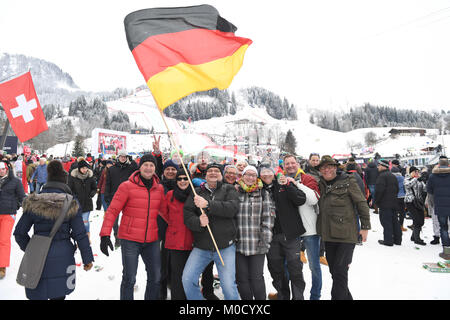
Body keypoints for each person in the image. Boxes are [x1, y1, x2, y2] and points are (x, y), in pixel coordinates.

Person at [13, 160, 94, 299]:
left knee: (37, 291)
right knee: (59, 293)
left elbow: (19, 232)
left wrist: (31, 248)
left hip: (37, 256)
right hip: (64, 254)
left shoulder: (34, 202)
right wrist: (87, 259)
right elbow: (80, 234)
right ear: (64, 182)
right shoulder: (71, 203)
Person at [100, 153, 166, 300]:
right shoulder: (127, 186)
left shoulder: (159, 189)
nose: (148, 168)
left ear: (155, 168)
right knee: (129, 278)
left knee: (155, 277)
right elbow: (112, 210)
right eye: (145, 165)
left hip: (152, 240)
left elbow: (166, 213)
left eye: (151, 165)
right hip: (130, 239)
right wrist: (105, 234)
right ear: (140, 167)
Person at [182, 163, 240, 300]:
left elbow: (232, 208)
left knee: (228, 286)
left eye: (216, 171)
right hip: (202, 246)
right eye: (210, 171)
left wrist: (208, 204)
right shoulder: (197, 192)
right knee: (187, 279)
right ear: (205, 175)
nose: (213, 173)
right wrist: (198, 222)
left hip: (225, 246)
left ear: (221, 175)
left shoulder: (229, 189)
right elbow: (187, 215)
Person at [317, 155, 371, 300]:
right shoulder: (321, 183)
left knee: (340, 272)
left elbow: (361, 203)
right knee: (334, 272)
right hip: (328, 235)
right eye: (323, 167)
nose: (326, 170)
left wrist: (365, 227)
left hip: (346, 235)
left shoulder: (348, 181)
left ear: (335, 167)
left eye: (329, 166)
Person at [266, 158, 308, 300]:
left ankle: (298, 297)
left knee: (295, 270)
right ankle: (283, 296)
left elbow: (300, 199)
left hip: (290, 235)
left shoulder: (284, 183)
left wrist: (288, 185)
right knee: (276, 271)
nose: (267, 175)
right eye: (264, 173)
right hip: (271, 237)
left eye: (270, 172)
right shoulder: (260, 188)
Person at [283, 155, 323, 300]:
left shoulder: (307, 179)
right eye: (287, 164)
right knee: (288, 266)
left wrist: (297, 184)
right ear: (284, 166)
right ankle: (287, 294)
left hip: (310, 230)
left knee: (314, 266)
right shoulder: (281, 180)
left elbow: (313, 199)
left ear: (298, 164)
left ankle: (315, 296)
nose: (290, 166)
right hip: (291, 231)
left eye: (293, 163)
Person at [235, 165, 275, 300]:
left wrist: (265, 241)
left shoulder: (263, 193)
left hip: (257, 243)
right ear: (243, 176)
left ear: (256, 177)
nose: (250, 177)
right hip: (238, 243)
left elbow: (268, 219)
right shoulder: (236, 192)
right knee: (241, 278)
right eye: (248, 174)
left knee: (256, 277)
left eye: (253, 175)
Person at [159, 169, 194, 300]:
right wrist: (174, 225)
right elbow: (163, 211)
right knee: (177, 275)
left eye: (186, 178)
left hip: (192, 241)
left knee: (190, 275)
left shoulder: (195, 194)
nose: (183, 181)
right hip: (175, 241)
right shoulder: (170, 195)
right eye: (179, 179)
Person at [104, 149, 139, 248]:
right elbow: (108, 183)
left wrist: (132, 161)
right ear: (118, 157)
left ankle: (128, 237)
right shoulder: (112, 169)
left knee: (129, 219)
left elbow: (138, 170)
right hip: (114, 196)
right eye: (121, 156)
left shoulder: (130, 167)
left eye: (125, 157)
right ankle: (117, 237)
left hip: (128, 197)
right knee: (114, 219)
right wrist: (106, 194)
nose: (123, 158)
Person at [0, 161, 26, 279]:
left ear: (7, 169)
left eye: (3, 169)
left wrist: (18, 205)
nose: (1, 171)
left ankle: (2, 266)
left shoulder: (15, 181)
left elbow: (22, 197)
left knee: (4, 240)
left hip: (8, 214)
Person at [426, 156, 450, 259]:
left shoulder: (432, 176)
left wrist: (432, 203)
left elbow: (429, 191)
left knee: (443, 228)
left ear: (439, 165)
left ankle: (447, 251)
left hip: (440, 205)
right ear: (448, 165)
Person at [68, 159, 97, 240]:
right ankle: (78, 237)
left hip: (87, 202)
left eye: (86, 168)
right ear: (79, 168)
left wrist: (91, 194)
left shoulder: (90, 177)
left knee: (85, 221)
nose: (85, 170)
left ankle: (87, 238)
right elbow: (69, 189)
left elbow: (94, 188)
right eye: (83, 168)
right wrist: (74, 197)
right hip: (76, 203)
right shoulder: (73, 177)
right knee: (77, 222)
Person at [375, 159, 401, 246]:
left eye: (379, 165)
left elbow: (379, 191)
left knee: (386, 222)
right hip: (393, 202)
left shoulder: (382, 176)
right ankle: (397, 240)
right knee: (394, 221)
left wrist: (376, 201)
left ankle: (388, 240)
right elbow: (397, 189)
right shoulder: (392, 176)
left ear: (383, 166)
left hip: (385, 203)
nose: (378, 167)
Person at [404, 166, 427, 245]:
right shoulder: (407, 179)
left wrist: (423, 181)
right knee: (417, 220)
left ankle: (413, 236)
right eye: (415, 172)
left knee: (421, 220)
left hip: (419, 202)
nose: (416, 173)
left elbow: (425, 189)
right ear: (411, 172)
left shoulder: (419, 180)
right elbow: (407, 186)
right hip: (410, 202)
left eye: (417, 172)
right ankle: (417, 239)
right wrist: (415, 178)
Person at [391, 166, 407, 232]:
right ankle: (401, 226)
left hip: (394, 197)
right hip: (402, 197)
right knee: (402, 212)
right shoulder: (402, 178)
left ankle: (394, 226)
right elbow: (405, 187)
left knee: (394, 212)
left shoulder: (391, 178)